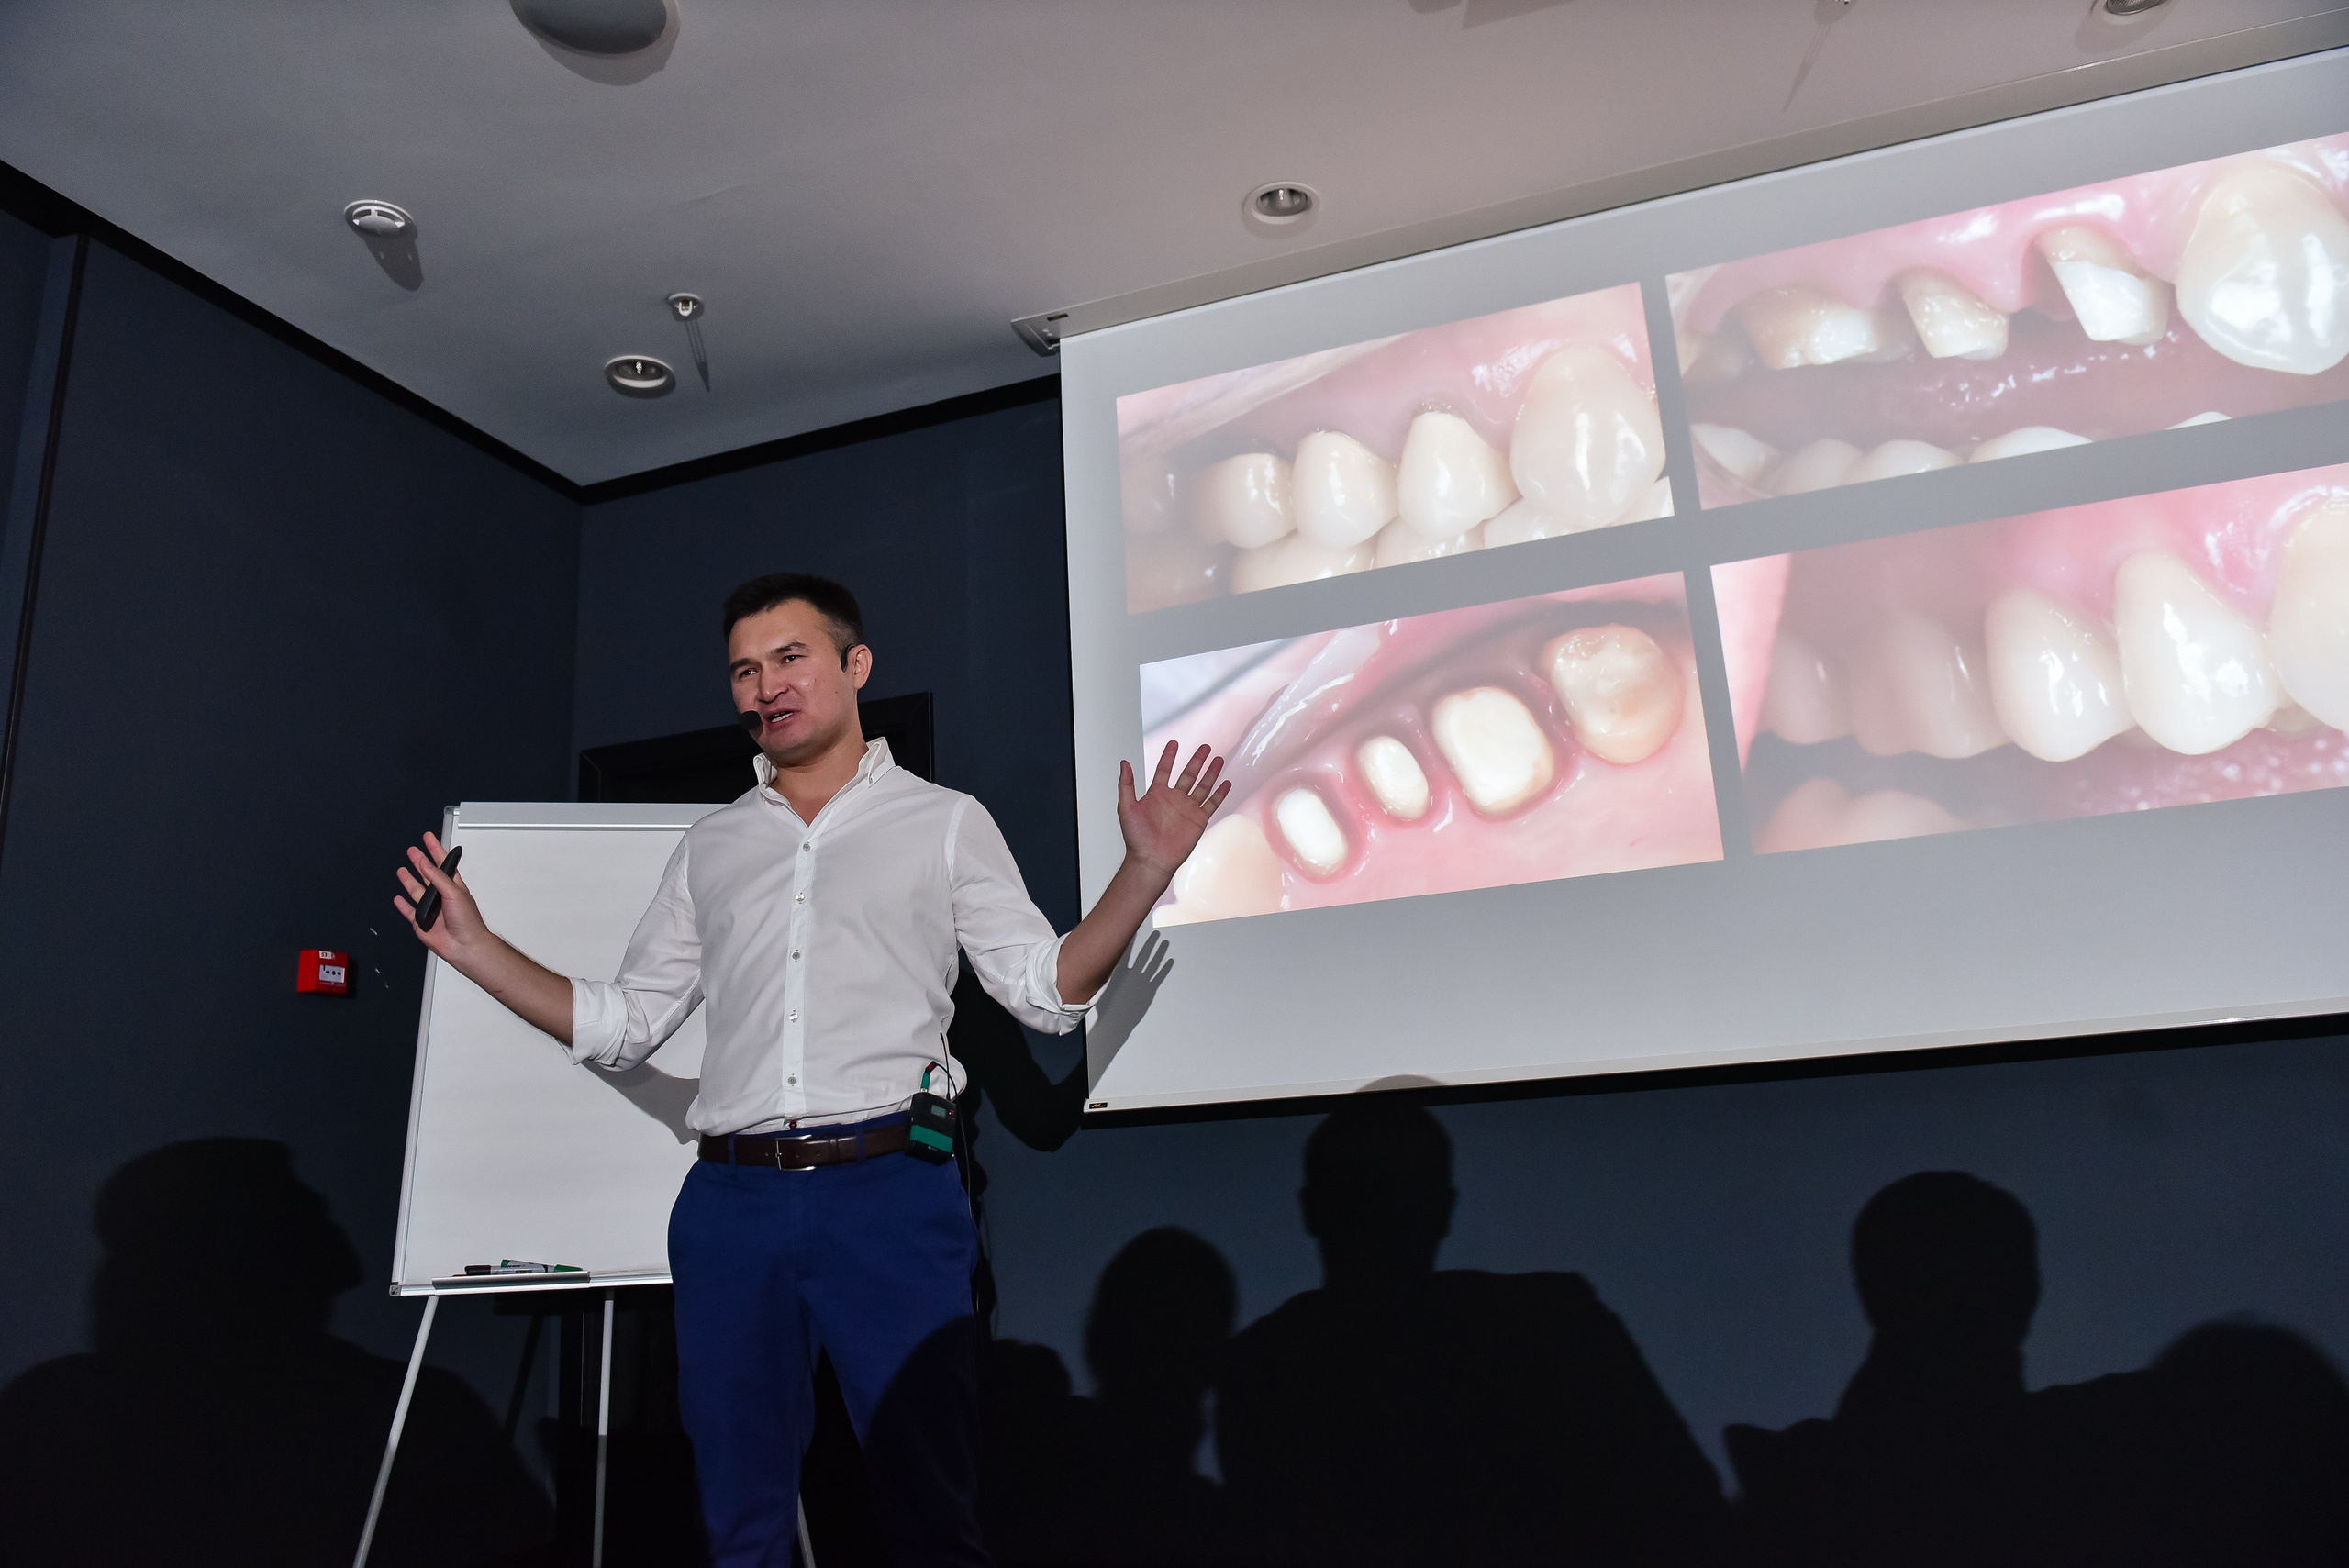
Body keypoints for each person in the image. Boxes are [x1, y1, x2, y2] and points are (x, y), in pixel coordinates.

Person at [392, 572, 1228, 1567]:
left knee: (928, 1510)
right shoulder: (711, 846)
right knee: (738, 1518)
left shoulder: (945, 820)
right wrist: (479, 948)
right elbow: (627, 1023)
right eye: (744, 669)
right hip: (731, 1200)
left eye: (788, 657)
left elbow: (1045, 993)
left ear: (854, 664)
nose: (763, 686)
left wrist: (1143, 874)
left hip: (891, 1192)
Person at [1215, 1100, 1724, 1566]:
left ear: (1311, 1209)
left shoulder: (1264, 1367)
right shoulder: (1548, 1322)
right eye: (1369, 1192)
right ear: (1445, 1210)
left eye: (1397, 1192)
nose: (1383, 1215)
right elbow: (1685, 1507)